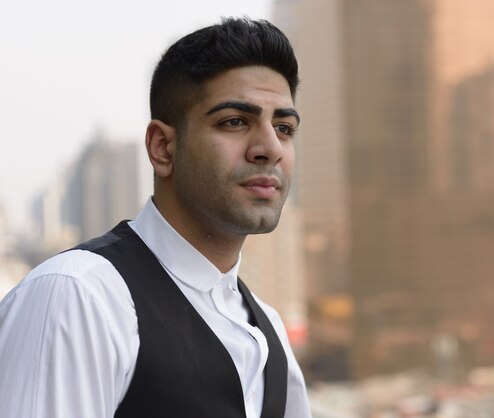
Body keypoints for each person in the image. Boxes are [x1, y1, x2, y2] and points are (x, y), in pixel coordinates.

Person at [0, 18, 311, 418]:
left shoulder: (269, 329)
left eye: (284, 127)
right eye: (234, 121)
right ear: (163, 147)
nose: (269, 147)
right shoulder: (80, 296)